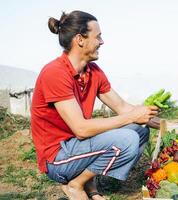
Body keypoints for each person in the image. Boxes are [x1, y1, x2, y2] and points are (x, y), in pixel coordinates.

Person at [31, 10, 158, 200]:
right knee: (127, 139)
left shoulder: (93, 71)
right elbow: (81, 128)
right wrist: (132, 116)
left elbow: (123, 107)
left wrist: (168, 125)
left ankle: (87, 181)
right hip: (58, 157)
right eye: (97, 36)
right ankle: (75, 185)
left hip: (77, 147)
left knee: (139, 131)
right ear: (80, 40)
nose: (102, 42)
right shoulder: (55, 73)